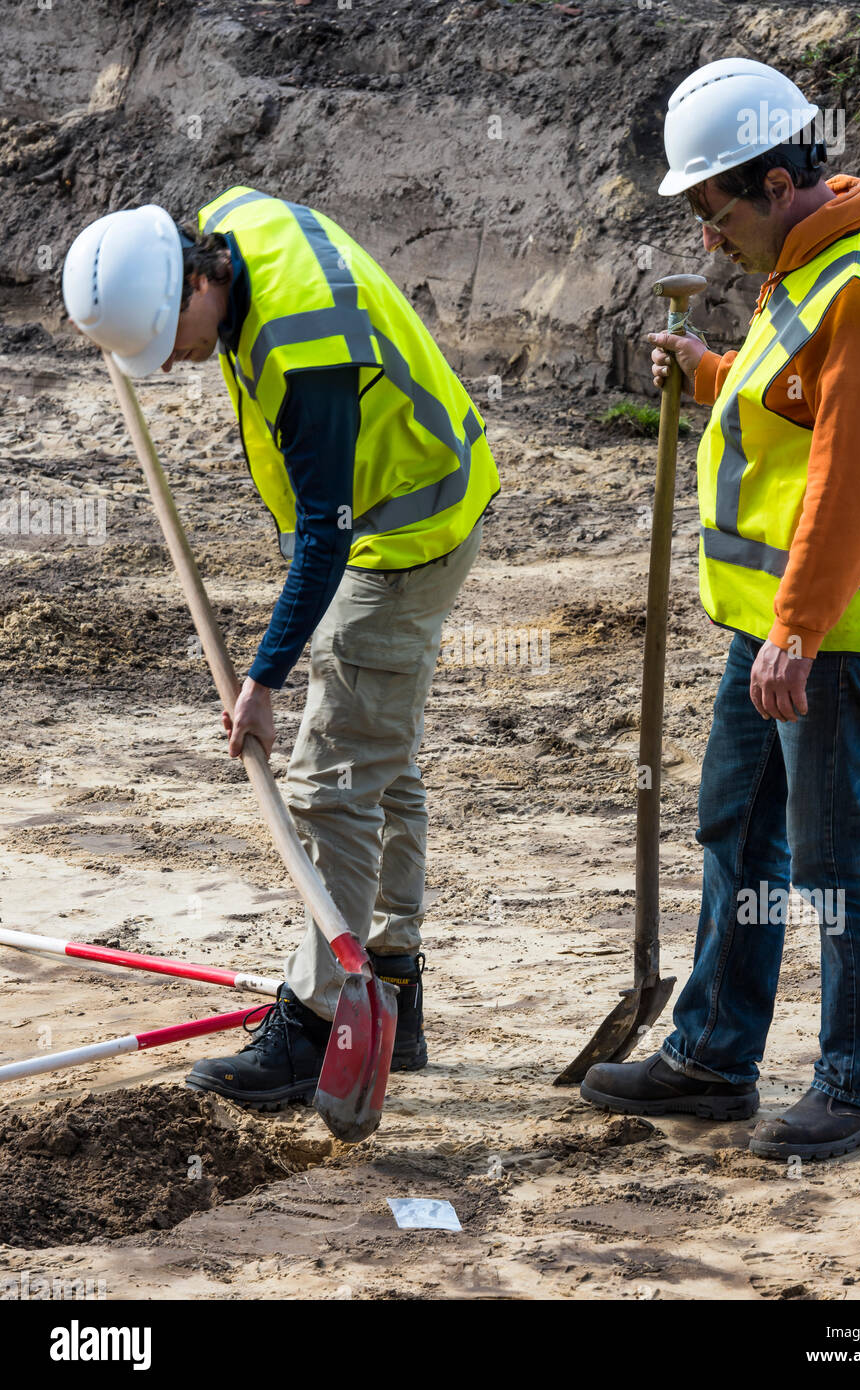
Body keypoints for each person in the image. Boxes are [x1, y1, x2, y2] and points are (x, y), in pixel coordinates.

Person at [580, 59, 860, 1160]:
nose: (706, 236)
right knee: (738, 826)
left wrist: (795, 631)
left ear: (780, 178)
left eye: (712, 206)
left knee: (838, 860)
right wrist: (706, 372)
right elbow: (784, 396)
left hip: (835, 637)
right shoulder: (807, 263)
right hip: (778, 629)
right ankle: (710, 1055)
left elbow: (850, 481)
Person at [63, 187, 500, 1106]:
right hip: (402, 491)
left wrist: (262, 680)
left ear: (195, 286)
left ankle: (312, 1021)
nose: (178, 363)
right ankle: (392, 989)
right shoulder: (238, 221)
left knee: (333, 775)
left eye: (169, 340)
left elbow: (323, 538)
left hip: (405, 527)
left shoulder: (303, 349)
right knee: (384, 756)